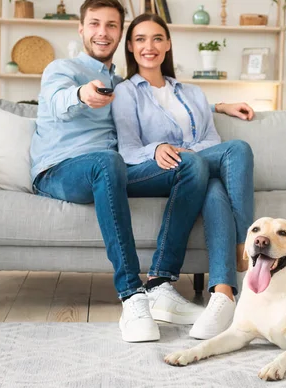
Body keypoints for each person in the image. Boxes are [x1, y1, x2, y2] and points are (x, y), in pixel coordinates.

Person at [29, 0, 254, 343]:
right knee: (108, 161)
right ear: (81, 29)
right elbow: (57, 100)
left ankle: (162, 283)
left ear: (120, 35)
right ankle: (132, 296)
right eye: (94, 24)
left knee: (190, 164)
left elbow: (158, 99)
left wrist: (216, 106)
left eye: (111, 26)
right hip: (61, 169)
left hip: (111, 170)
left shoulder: (117, 83)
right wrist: (81, 93)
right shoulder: (64, 69)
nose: (102, 32)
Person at [111, 13, 254, 340]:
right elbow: (128, 148)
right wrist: (158, 147)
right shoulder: (126, 92)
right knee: (238, 150)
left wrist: (189, 151)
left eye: (157, 38)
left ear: (169, 44)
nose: (150, 46)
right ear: (131, 48)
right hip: (150, 170)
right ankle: (243, 249)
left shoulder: (191, 92)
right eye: (141, 39)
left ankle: (224, 295)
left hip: (192, 166)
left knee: (215, 184)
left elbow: (211, 141)